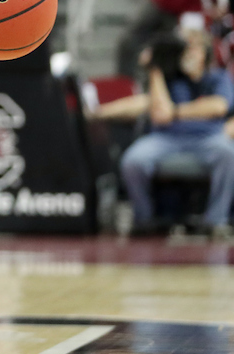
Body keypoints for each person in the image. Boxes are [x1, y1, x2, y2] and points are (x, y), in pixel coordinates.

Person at [94, 32, 234, 236]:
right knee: (133, 161)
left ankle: (216, 221)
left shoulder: (217, 77)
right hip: (166, 138)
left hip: (207, 138)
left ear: (205, 52)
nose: (188, 54)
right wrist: (155, 68)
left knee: (228, 154)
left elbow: (218, 106)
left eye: (193, 48)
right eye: (184, 49)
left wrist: (175, 111)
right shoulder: (169, 78)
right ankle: (146, 221)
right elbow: (159, 114)